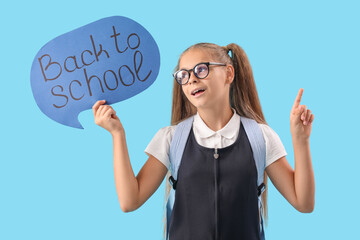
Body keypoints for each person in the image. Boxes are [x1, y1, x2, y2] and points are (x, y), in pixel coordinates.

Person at [92, 42, 315, 240]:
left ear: (229, 74)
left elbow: (303, 203)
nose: (192, 80)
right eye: (183, 75)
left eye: (201, 69)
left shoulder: (260, 136)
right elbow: (130, 201)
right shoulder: (170, 138)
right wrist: (117, 135)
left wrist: (300, 140)